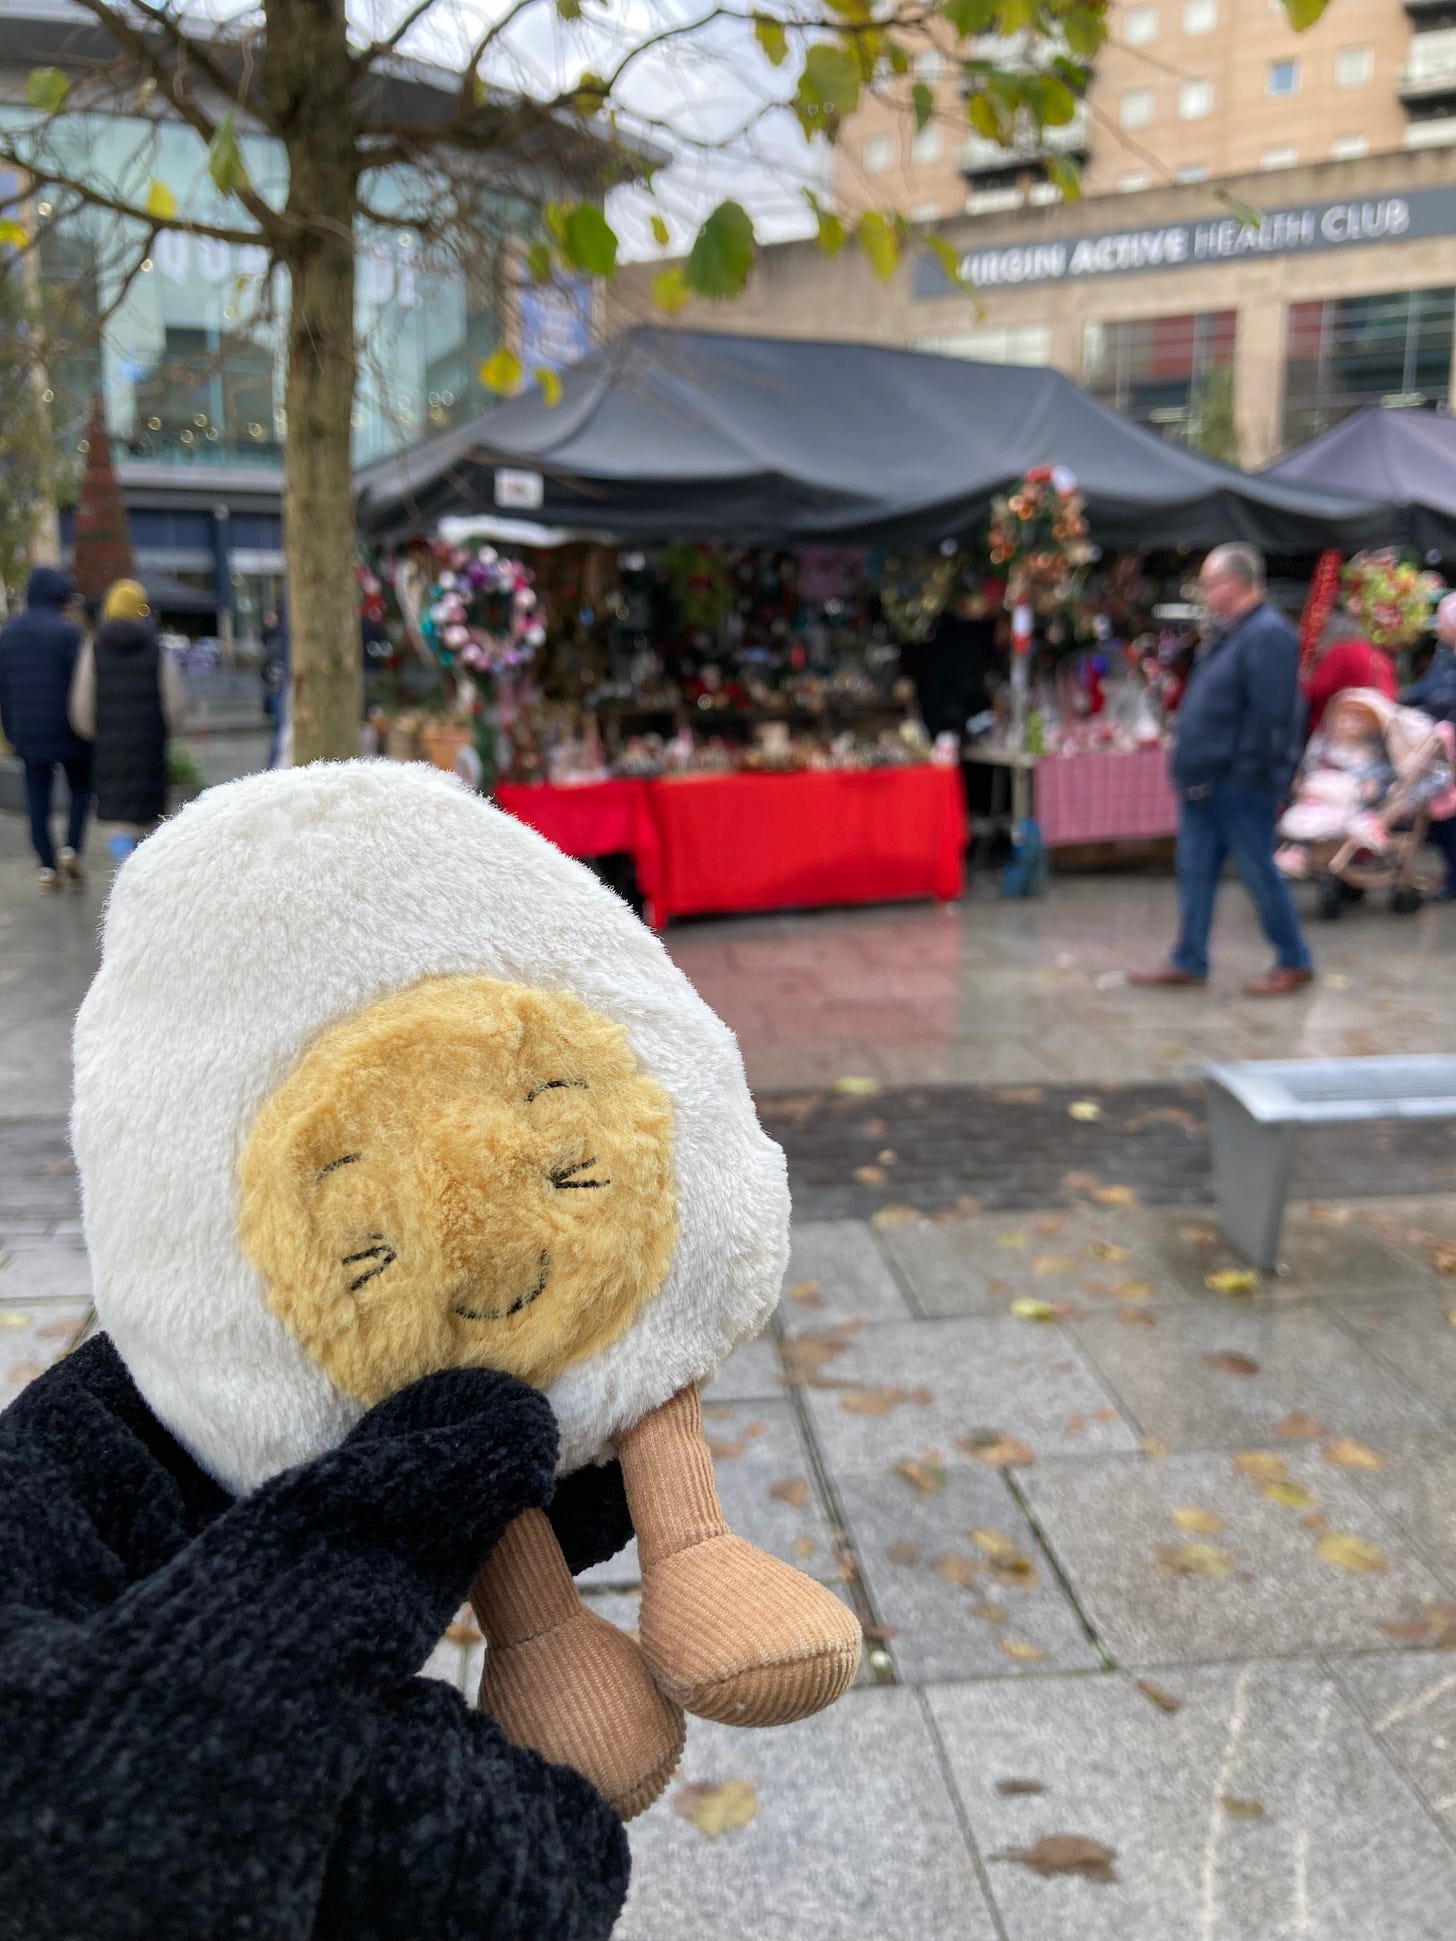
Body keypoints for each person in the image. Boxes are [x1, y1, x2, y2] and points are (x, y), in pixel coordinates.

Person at [1131, 543, 1313, 996]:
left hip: (1237, 785)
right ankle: (1189, 958)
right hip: (1204, 781)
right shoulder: (1231, 632)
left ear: (1234, 585)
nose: (1205, 593)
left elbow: (1271, 716)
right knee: (1194, 870)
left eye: (1210, 584)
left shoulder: (1267, 633)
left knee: (1256, 871)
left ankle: (1294, 960)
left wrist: (1245, 772)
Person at [69, 579, 186, 861]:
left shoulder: (93, 649)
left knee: (119, 825)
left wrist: (97, 733)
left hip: (110, 753)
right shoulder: (157, 651)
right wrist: (161, 730)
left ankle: (124, 865)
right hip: (149, 750)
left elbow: (81, 710)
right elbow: (176, 706)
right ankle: (142, 873)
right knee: (149, 826)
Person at [0, 566, 92, 889]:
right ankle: (71, 848)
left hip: (27, 731)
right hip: (69, 730)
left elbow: (4, 689)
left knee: (36, 798)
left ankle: (46, 867)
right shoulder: (68, 634)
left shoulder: (8, 634)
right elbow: (82, 685)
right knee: (80, 789)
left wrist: (11, 729)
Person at [1401, 592, 1456, 899]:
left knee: (1447, 815)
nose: (1439, 629)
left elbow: (1441, 695)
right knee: (1442, 813)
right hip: (1441, 747)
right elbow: (1428, 689)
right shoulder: (1445, 654)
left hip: (1447, 747)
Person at [1302, 608, 1396, 734]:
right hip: (1375, 730)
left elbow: (1314, 690)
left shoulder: (1341, 652)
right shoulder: (1377, 654)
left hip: (1341, 732)